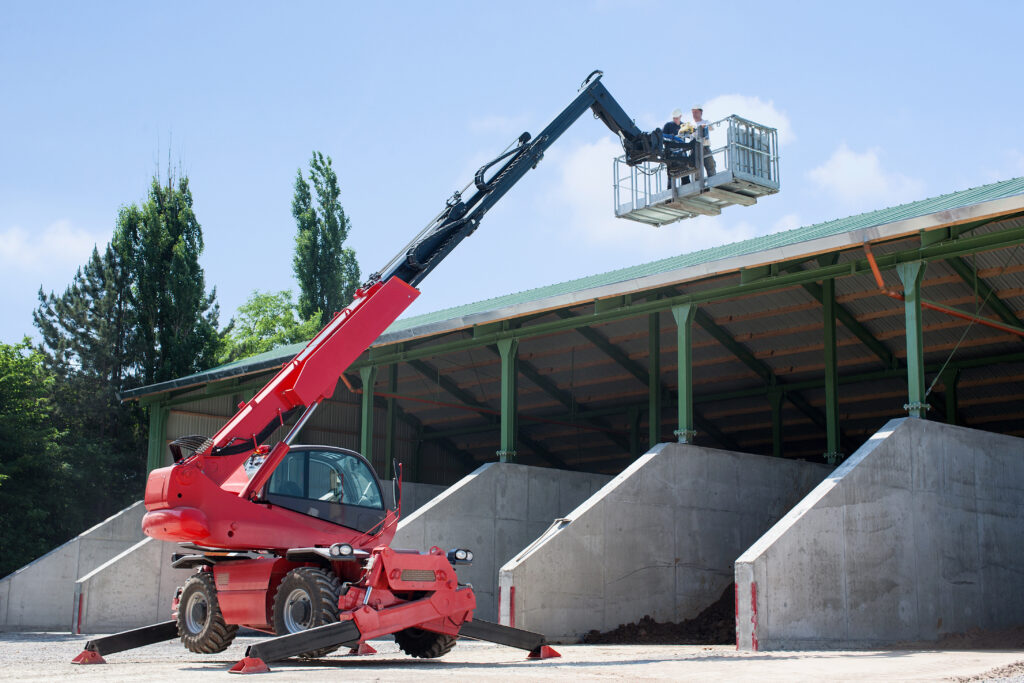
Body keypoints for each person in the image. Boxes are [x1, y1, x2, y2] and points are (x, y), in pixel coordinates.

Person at [690, 104, 716, 179]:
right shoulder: (690, 124)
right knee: (696, 168)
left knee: (710, 165)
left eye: (696, 112)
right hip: (694, 149)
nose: (694, 114)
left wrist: (704, 126)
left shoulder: (706, 121)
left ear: (701, 112)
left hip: (705, 147)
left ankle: (712, 180)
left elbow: (711, 127)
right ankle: (697, 184)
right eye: (693, 112)